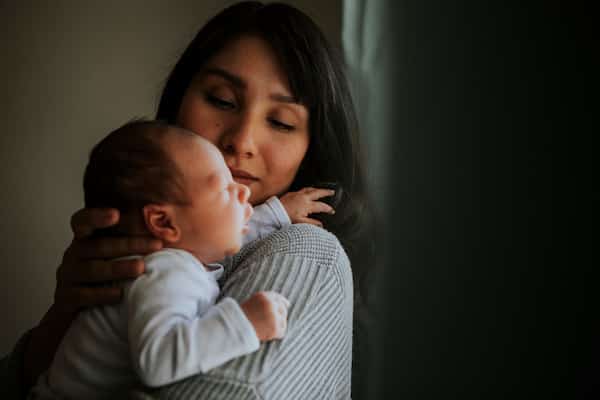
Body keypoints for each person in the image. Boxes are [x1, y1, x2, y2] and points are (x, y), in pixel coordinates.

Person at [2, 2, 374, 399]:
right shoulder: (165, 263)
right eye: (222, 100)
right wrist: (64, 316)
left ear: (312, 147)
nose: (242, 141)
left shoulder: (305, 251)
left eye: (281, 122)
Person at [29, 120, 294, 398]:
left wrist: (279, 214)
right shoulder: (164, 273)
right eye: (225, 189)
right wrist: (244, 323)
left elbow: (224, 232)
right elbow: (157, 362)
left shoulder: (176, 258)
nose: (244, 192)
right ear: (163, 222)